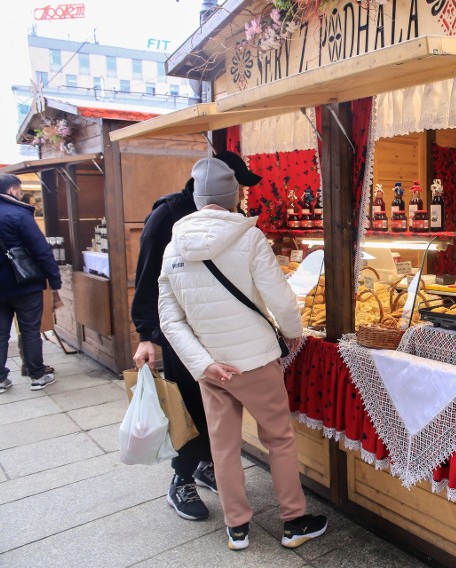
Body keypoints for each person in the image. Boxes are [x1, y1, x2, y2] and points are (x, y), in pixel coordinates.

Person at [158, 157, 327, 551]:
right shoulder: (249, 238)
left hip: (212, 368)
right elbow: (282, 301)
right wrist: (293, 335)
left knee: (224, 447)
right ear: (234, 196)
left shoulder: (173, 246)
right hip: (256, 361)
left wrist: (204, 365)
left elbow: (171, 321)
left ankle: (237, 528)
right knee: (280, 440)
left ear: (199, 198)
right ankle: (293, 522)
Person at [131, 151, 262, 521]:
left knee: (217, 409)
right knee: (188, 405)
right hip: (180, 332)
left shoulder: (228, 218)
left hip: (220, 330)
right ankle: (181, 478)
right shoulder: (168, 214)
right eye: (237, 185)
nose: (240, 193)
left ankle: (206, 465)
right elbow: (146, 277)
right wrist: (144, 334)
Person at [0, 174, 61, 394]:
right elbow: (41, 249)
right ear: (11, 190)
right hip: (24, 283)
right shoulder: (18, 213)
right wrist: (54, 280)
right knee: (30, 330)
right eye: (19, 191)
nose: (20, 194)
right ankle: (37, 375)